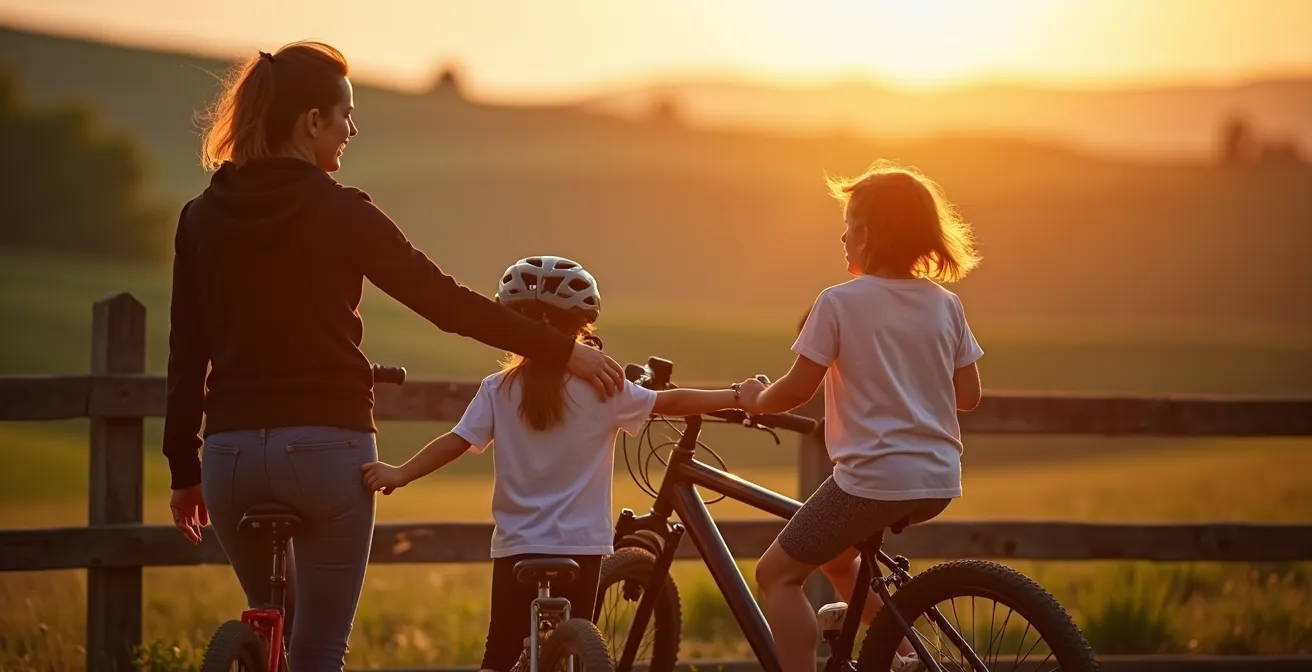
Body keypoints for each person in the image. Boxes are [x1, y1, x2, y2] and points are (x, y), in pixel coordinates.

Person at [160, 43, 624, 671]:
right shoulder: (342, 211)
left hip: (230, 458)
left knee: (276, 620)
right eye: (345, 114)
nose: (352, 129)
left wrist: (183, 470)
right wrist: (561, 350)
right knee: (319, 644)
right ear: (311, 122)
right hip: (326, 450)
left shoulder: (198, 218)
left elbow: (186, 353)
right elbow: (447, 305)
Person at [360, 255, 766, 672]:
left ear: (513, 328)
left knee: (499, 655)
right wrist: (736, 394)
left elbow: (457, 442)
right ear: (582, 327)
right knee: (576, 647)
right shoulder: (604, 387)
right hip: (582, 546)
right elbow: (672, 401)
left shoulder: (498, 388)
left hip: (517, 547)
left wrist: (401, 472)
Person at [747, 161, 984, 672]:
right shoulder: (946, 305)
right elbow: (968, 395)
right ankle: (903, 656)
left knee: (776, 575)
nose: (843, 235)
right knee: (834, 556)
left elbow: (796, 389)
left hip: (872, 481)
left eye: (850, 225)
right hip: (939, 478)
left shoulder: (837, 303)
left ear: (870, 235)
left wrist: (755, 399)